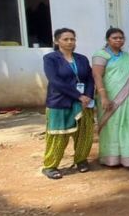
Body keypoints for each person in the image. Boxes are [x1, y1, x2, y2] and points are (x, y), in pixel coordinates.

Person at [41, 28, 95, 179]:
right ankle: (50, 166)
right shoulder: (50, 59)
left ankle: (81, 160)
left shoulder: (82, 59)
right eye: (66, 39)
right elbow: (55, 81)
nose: (70, 42)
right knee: (58, 135)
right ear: (57, 41)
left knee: (84, 133)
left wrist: (88, 96)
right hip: (60, 102)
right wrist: (78, 96)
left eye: (72, 39)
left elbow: (89, 79)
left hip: (83, 103)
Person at [91, 28, 129, 167]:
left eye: (121, 38)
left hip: (128, 96)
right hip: (110, 96)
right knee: (112, 126)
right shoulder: (100, 55)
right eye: (115, 38)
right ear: (108, 39)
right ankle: (112, 158)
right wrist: (104, 96)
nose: (118, 40)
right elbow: (97, 76)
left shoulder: (127, 56)